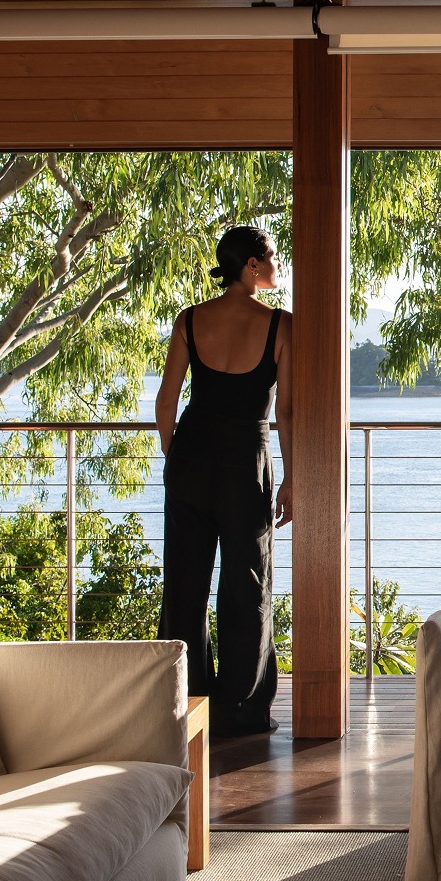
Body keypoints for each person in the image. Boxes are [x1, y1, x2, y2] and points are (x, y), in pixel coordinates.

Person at [155, 226, 292, 737]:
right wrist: (292, 479)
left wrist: (177, 456)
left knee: (186, 583)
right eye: (274, 257)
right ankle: (240, 709)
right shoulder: (282, 325)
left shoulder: (191, 320)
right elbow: (288, 412)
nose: (280, 265)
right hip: (244, 464)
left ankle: (185, 706)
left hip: (191, 458)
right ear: (252, 266)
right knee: (246, 584)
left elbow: (166, 402)